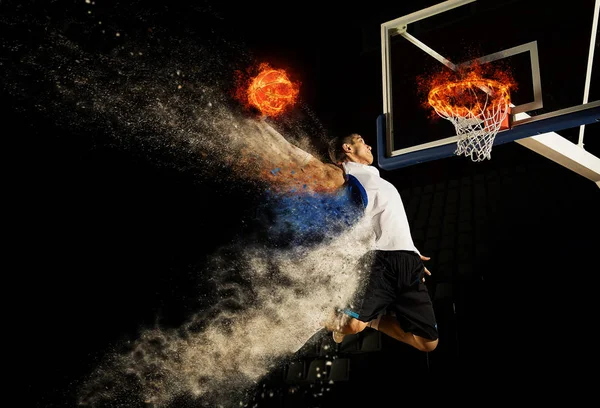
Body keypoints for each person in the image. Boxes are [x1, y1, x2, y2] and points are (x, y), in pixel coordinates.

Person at [252, 118, 439, 353]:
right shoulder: (343, 175)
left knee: (427, 343)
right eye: (362, 141)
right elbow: (295, 156)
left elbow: (389, 219)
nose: (369, 146)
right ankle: (311, 316)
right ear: (347, 149)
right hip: (380, 261)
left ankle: (372, 320)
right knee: (351, 325)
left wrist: (410, 249)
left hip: (408, 261)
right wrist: (263, 126)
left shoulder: (378, 180)